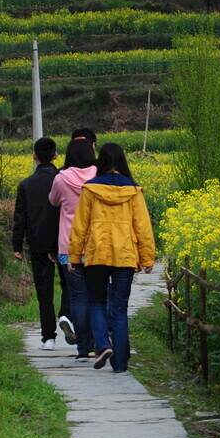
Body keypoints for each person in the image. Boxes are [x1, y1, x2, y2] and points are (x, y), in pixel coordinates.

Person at [68, 143, 155, 372]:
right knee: (119, 308)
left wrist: (74, 257)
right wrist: (147, 258)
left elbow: (79, 227)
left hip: (97, 254)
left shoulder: (90, 189)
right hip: (125, 256)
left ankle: (104, 345)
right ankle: (120, 363)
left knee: (96, 301)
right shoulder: (133, 190)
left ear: (101, 162)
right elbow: (143, 227)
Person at [12, 137, 65, 350]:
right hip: (63, 240)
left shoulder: (26, 184)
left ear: (34, 156)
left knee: (44, 290)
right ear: (56, 156)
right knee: (68, 284)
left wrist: (17, 246)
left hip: (38, 242)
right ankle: (67, 318)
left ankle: (48, 337)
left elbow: (20, 217)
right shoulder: (64, 179)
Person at [49, 137, 98, 360]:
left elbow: (53, 201)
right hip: (97, 247)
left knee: (78, 299)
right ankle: (100, 342)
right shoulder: (99, 175)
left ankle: (82, 348)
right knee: (98, 297)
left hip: (69, 248)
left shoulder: (61, 178)